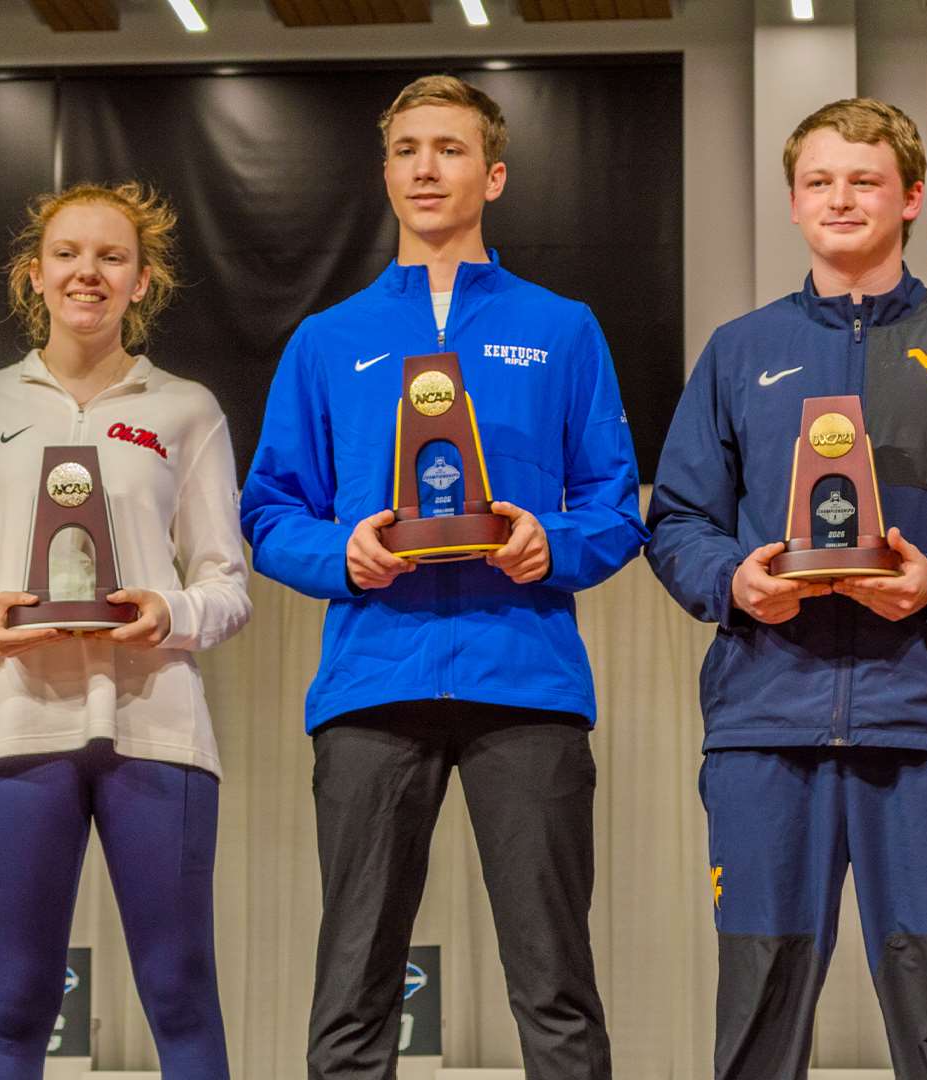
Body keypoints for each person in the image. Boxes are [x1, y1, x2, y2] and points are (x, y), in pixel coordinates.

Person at [646, 98, 927, 1079]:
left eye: (865, 180)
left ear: (911, 197)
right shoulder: (738, 353)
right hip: (766, 729)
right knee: (758, 1025)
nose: (840, 198)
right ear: (794, 202)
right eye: (819, 181)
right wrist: (736, 582)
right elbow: (676, 521)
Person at [239, 74, 646, 1080]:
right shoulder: (325, 341)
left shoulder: (564, 329)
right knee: (355, 980)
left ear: (493, 174)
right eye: (409, 149)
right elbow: (268, 512)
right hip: (373, 683)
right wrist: (343, 553)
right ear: (385, 175)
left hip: (527, 683)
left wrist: (550, 542)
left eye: (451, 149)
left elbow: (617, 502)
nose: (428, 166)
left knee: (554, 980)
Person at [0, 180, 251, 1080]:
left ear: (143, 282)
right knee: (18, 1001)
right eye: (67, 254)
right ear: (34, 274)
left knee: (179, 992)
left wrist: (169, 614)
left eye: (111, 257)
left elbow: (227, 581)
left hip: (160, 730)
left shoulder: (187, 409)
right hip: (18, 727)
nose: (87, 272)